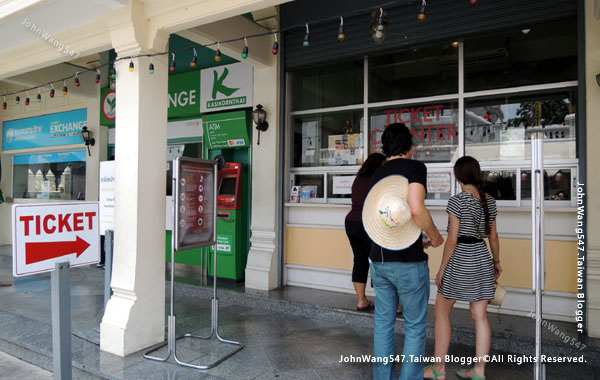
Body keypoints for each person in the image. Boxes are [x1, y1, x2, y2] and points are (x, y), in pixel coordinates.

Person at [368, 123, 444, 380]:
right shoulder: (415, 167)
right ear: (409, 146)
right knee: (414, 326)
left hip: (378, 258)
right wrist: (434, 236)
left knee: (383, 324)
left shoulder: (378, 174)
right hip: (408, 263)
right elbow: (415, 209)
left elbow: (385, 217)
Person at [424, 156, 502, 380]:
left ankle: (439, 369)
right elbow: (493, 237)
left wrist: (441, 269)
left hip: (460, 260)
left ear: (457, 176)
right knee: (480, 316)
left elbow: (452, 240)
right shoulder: (489, 201)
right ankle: (479, 370)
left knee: (442, 310)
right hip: (481, 258)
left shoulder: (457, 201)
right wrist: (496, 262)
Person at [345, 152, 387, 311]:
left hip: (351, 222)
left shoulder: (359, 178)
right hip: (368, 223)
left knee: (360, 260)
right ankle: (388, 303)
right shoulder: (377, 179)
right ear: (378, 165)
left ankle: (361, 300)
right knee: (378, 261)